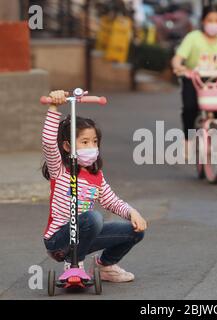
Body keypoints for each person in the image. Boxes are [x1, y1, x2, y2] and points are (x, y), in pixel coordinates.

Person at [42, 90, 147, 283]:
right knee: (93, 217)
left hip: (84, 237)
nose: (92, 147)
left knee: (135, 231)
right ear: (67, 147)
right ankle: (74, 263)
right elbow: (49, 143)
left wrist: (133, 213)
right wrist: (54, 107)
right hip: (59, 240)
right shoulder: (60, 169)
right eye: (84, 142)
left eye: (94, 142)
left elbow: (112, 201)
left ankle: (105, 266)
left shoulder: (95, 176)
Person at [171, 4, 217, 158]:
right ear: (203, 21)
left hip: (215, 79)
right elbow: (178, 59)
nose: (213, 23)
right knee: (190, 108)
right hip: (192, 79)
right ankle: (188, 142)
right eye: (210, 20)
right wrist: (179, 67)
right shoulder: (192, 38)